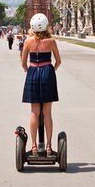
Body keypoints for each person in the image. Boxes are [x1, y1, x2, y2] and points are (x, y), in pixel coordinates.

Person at [21, 13, 62, 156]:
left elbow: (23, 62)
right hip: (47, 73)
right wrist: (52, 69)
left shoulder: (28, 41)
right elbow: (58, 61)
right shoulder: (51, 41)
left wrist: (28, 69)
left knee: (34, 112)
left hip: (33, 73)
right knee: (47, 113)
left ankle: (33, 146)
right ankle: (49, 146)